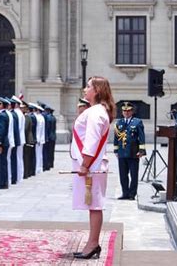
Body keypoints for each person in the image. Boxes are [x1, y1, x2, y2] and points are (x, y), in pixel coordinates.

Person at [70, 76, 116, 259]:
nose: (84, 89)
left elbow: (92, 140)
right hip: (94, 164)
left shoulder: (96, 112)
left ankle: (93, 244)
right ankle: (92, 243)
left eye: (88, 86)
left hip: (93, 165)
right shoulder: (96, 110)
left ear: (96, 90)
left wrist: (85, 164)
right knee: (93, 205)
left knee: (95, 205)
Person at [113, 102, 146, 200]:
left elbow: (141, 137)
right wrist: (116, 151)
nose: (126, 113)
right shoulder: (119, 123)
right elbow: (116, 138)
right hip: (122, 152)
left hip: (133, 152)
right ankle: (125, 193)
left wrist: (141, 150)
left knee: (133, 175)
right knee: (123, 175)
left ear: (132, 111)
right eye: (124, 111)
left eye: (128, 111)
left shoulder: (137, 122)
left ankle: (132, 194)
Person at [11, 95, 26, 183]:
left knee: (16, 158)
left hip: (17, 139)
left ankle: (16, 177)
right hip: (21, 138)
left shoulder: (16, 114)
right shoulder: (20, 113)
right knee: (19, 158)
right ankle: (19, 175)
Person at [21, 101, 35, 179]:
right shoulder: (25, 117)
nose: (21, 109)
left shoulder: (27, 117)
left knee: (26, 158)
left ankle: (26, 173)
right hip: (26, 140)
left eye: (22, 108)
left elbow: (25, 129)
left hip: (27, 140)